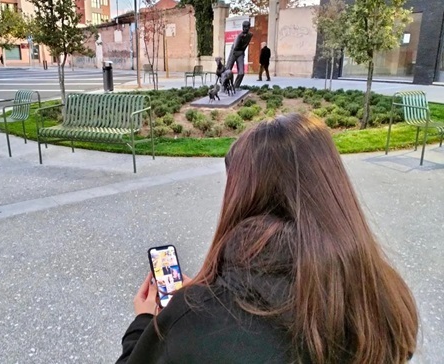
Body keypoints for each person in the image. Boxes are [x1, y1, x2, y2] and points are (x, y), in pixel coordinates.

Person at [117, 114, 418, 364]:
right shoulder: (382, 297)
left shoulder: (189, 323)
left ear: (242, 197)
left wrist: (146, 322)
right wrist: (217, 292)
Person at [225, 20, 253, 89]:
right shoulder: (239, 36)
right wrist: (242, 40)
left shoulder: (250, 35)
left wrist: (242, 52)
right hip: (234, 53)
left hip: (241, 53)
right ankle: (225, 86)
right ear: (242, 27)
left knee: (241, 73)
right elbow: (235, 47)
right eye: (245, 27)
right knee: (228, 71)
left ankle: (235, 87)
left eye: (248, 27)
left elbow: (246, 44)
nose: (246, 28)